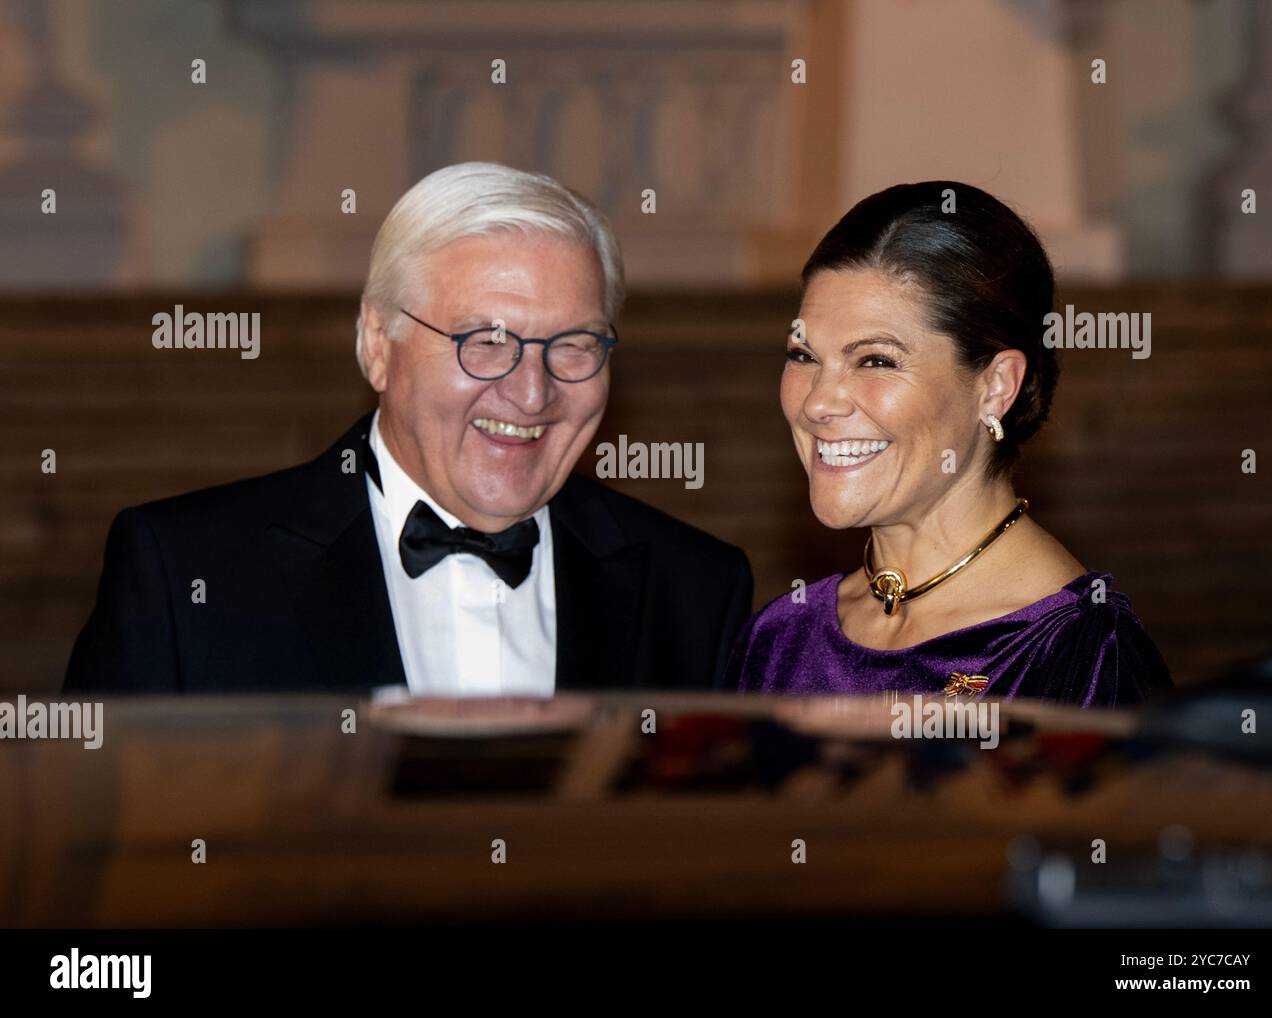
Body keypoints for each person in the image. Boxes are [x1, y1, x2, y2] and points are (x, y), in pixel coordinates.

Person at [65, 162, 752, 695]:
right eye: (484, 339)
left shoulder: (694, 590)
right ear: (376, 344)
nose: (532, 391)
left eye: (574, 344)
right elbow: (90, 857)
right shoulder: (186, 573)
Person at [726, 182, 1170, 705]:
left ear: (996, 385)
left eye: (875, 360)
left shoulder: (1080, 657)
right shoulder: (779, 639)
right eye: (803, 355)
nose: (818, 403)